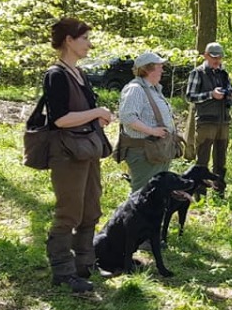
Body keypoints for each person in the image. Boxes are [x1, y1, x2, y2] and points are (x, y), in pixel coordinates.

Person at [44, 17, 114, 293]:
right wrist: (96, 113)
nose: (89, 44)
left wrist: (96, 116)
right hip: (67, 154)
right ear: (69, 41)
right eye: (84, 38)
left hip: (88, 150)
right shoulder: (56, 75)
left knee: (90, 207)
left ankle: (85, 264)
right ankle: (62, 271)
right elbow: (60, 119)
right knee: (69, 211)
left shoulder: (80, 74)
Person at [117, 52, 178, 192]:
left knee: (155, 195)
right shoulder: (135, 89)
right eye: (159, 66)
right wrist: (153, 131)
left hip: (157, 151)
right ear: (148, 69)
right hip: (144, 153)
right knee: (142, 196)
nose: (162, 70)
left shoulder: (154, 89)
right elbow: (127, 117)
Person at [185, 41, 232, 195]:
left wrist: (231, 95)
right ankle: (199, 193)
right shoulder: (197, 73)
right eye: (214, 57)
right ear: (205, 56)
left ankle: (219, 191)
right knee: (202, 160)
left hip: (224, 121)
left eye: (219, 57)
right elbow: (189, 96)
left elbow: (230, 93)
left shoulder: (224, 73)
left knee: (221, 159)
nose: (217, 60)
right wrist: (210, 94)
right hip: (206, 122)